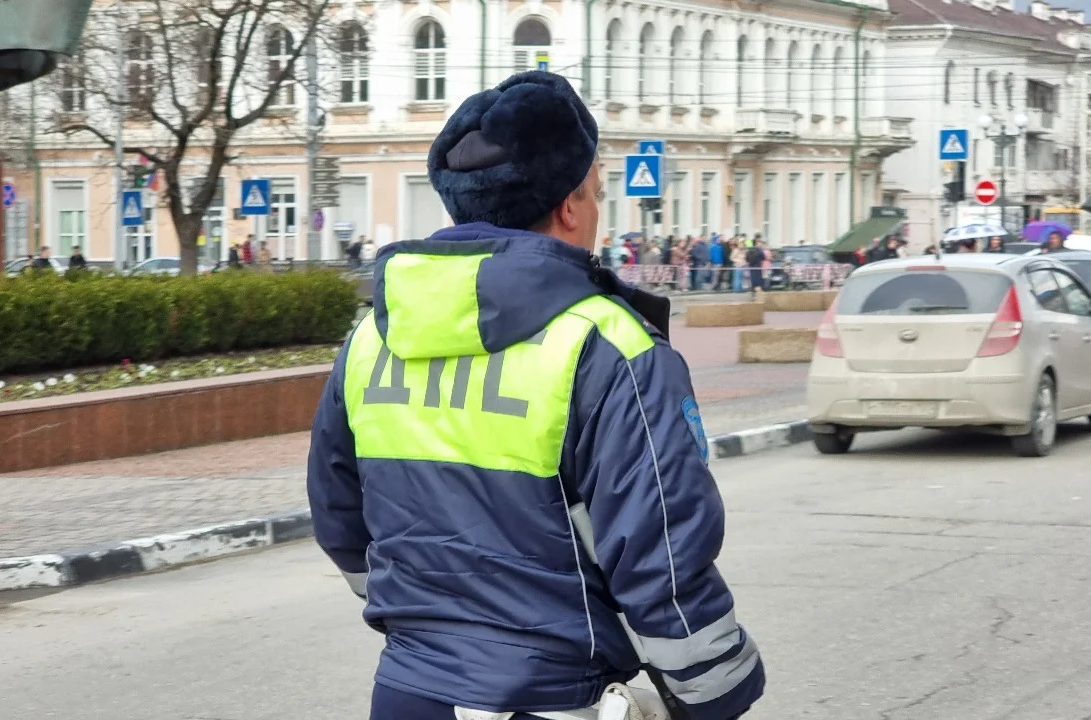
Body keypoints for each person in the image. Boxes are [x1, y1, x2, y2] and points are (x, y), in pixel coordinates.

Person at [307, 71, 764, 720]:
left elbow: (338, 514)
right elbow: (658, 547)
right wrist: (715, 691)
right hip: (554, 696)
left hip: (409, 692)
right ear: (571, 206)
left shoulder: (371, 339)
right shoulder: (609, 346)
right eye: (598, 193)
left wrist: (427, 623)